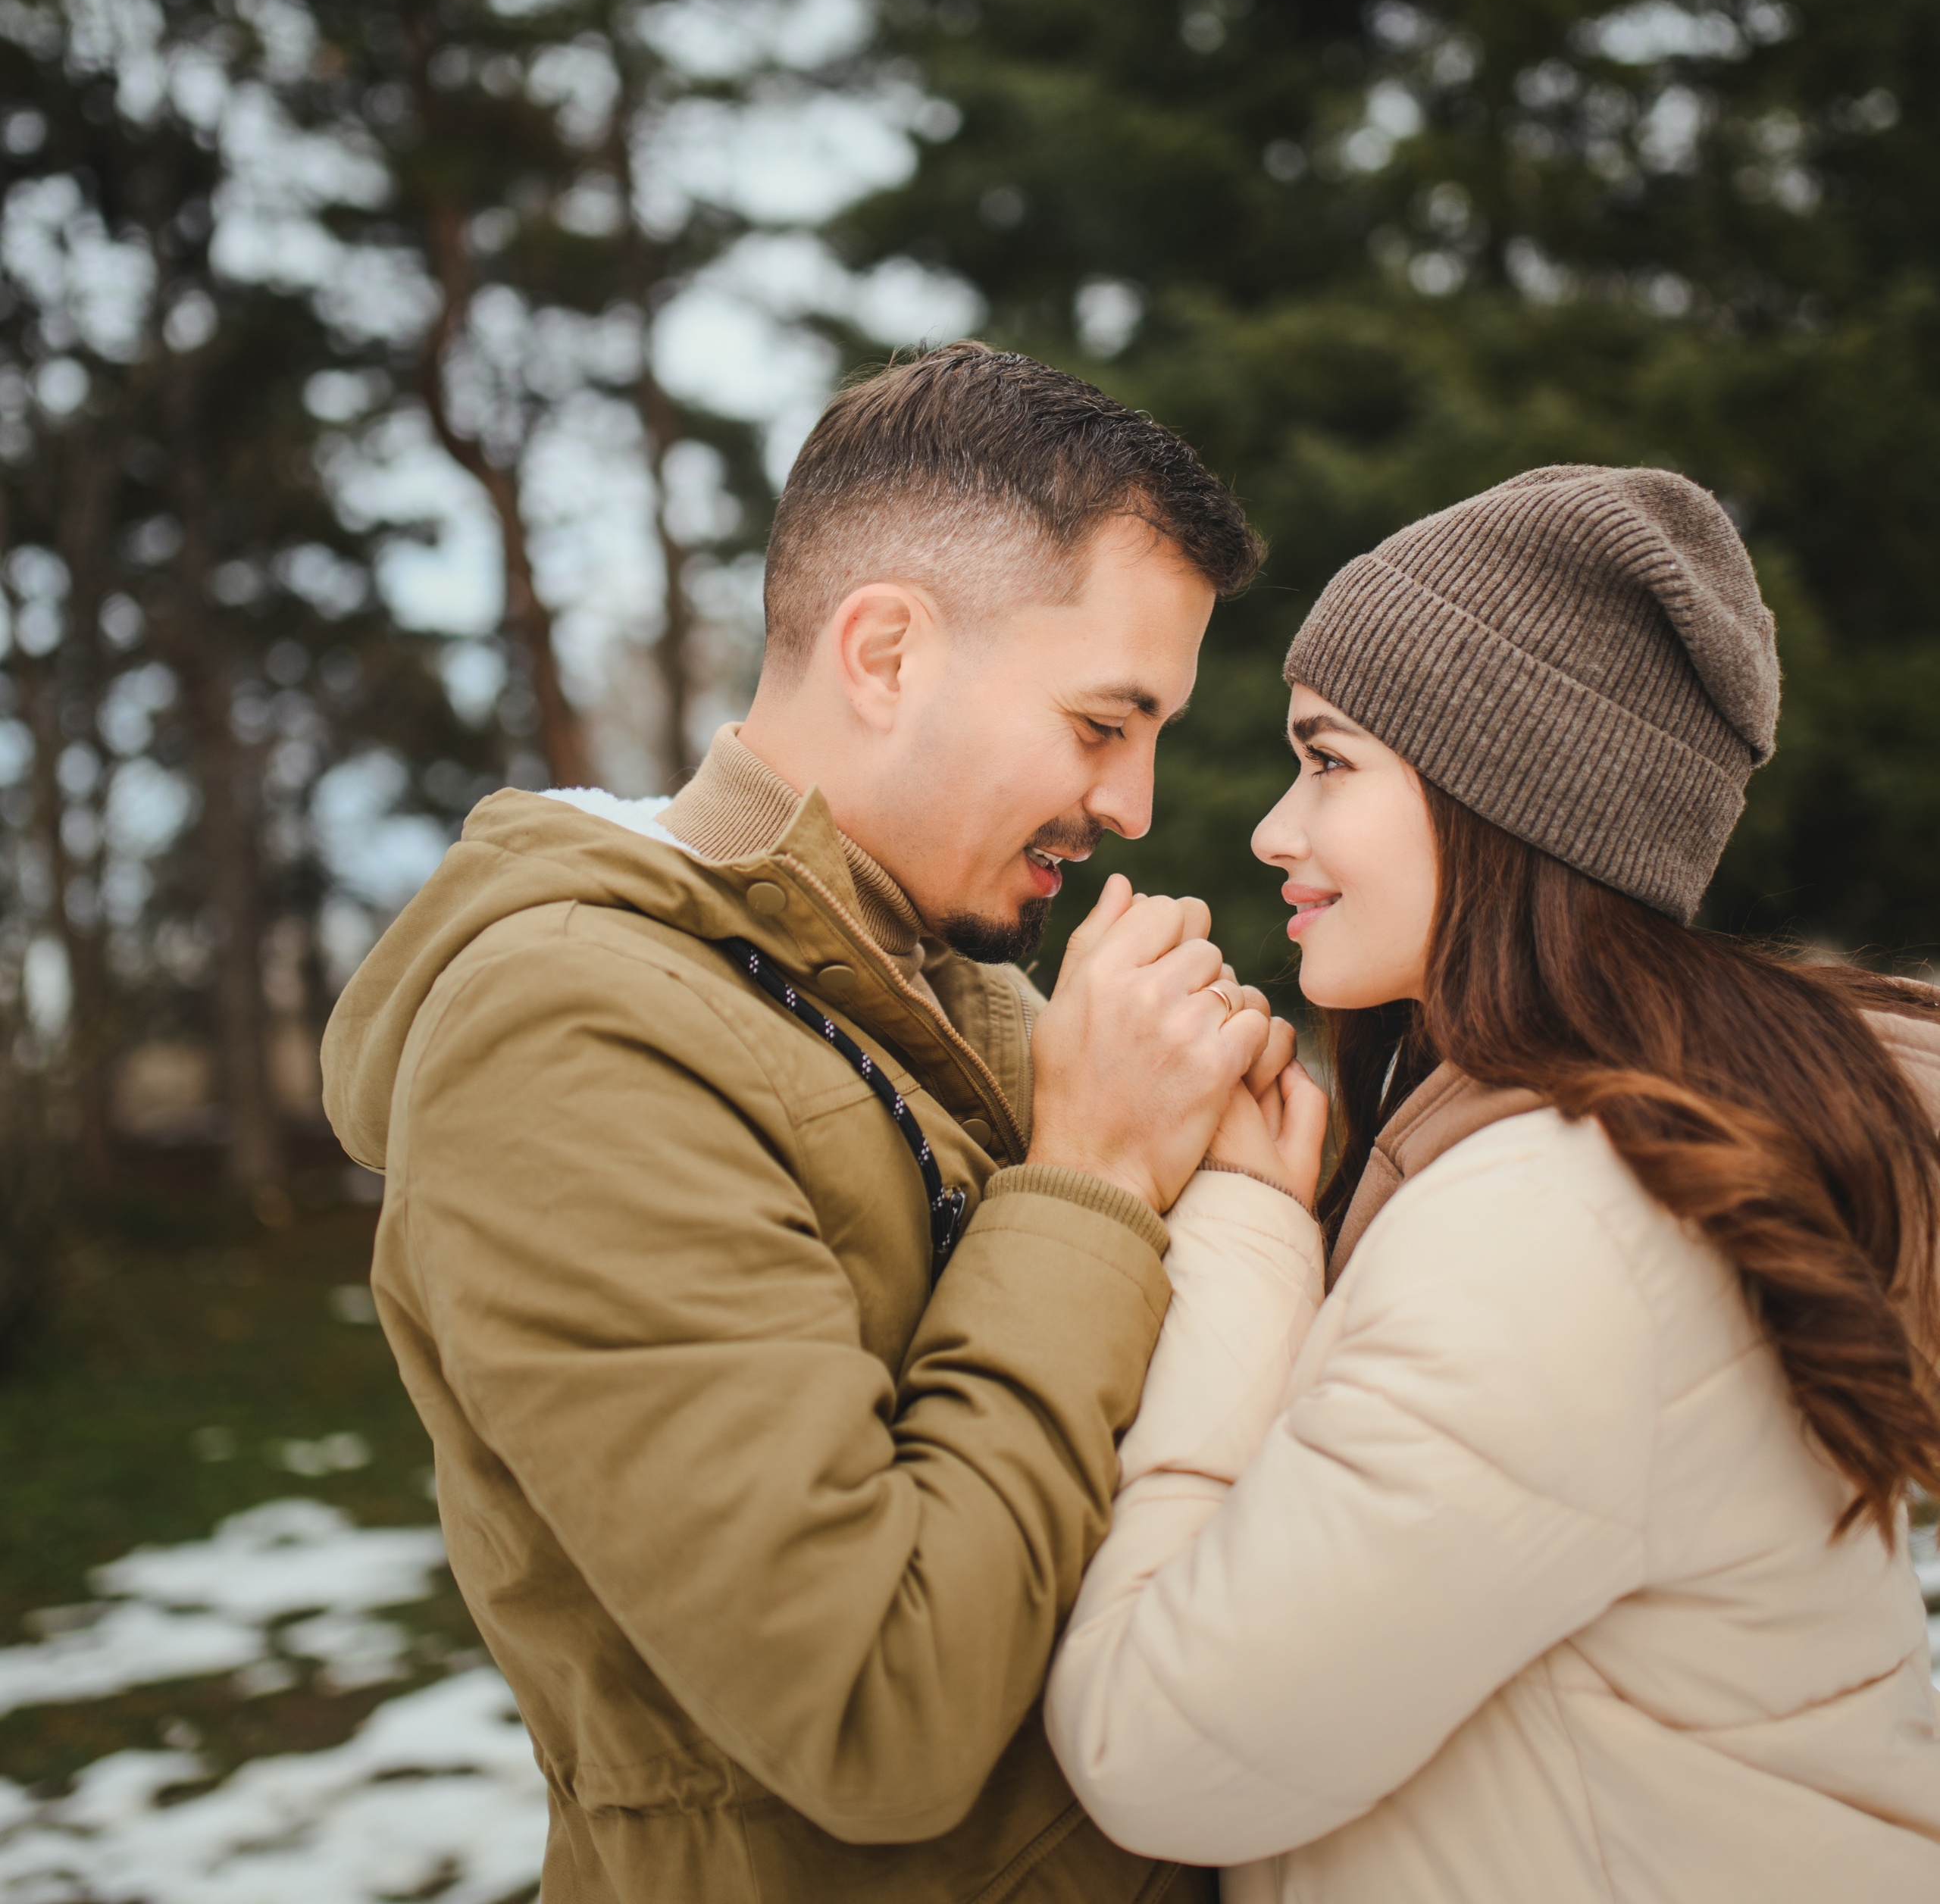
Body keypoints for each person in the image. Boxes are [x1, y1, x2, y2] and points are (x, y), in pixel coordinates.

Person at [322, 343, 1303, 1904]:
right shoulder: (567, 1030)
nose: (1131, 802)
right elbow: (874, 1710)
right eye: (1104, 720)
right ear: (886, 652)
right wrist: (1099, 1171)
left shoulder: (939, 987)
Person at [1046, 464, 1940, 1903]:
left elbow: (1156, 1745)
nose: (1277, 829)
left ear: (1505, 800)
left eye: (1330, 762)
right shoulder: (1600, 1173)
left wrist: (1252, 1238)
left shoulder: (1563, 1230)